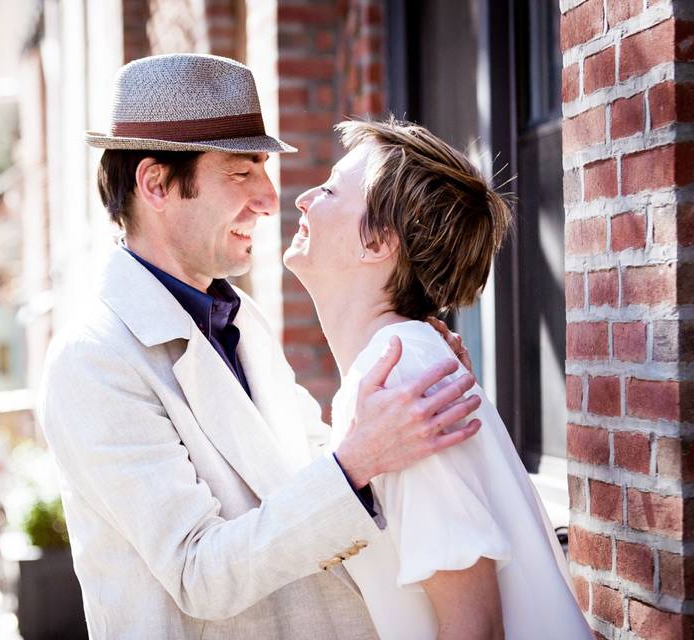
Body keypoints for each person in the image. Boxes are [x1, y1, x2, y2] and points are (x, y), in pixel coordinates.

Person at [39, 53, 482, 639]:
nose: (271, 199)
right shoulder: (93, 359)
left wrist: (415, 413)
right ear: (156, 184)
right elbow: (199, 573)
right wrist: (361, 458)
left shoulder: (239, 318)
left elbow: (307, 463)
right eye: (241, 172)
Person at [284, 117, 592, 639]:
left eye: (331, 189)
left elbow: (475, 628)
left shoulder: (401, 376)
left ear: (378, 241)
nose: (304, 199)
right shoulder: (398, 365)